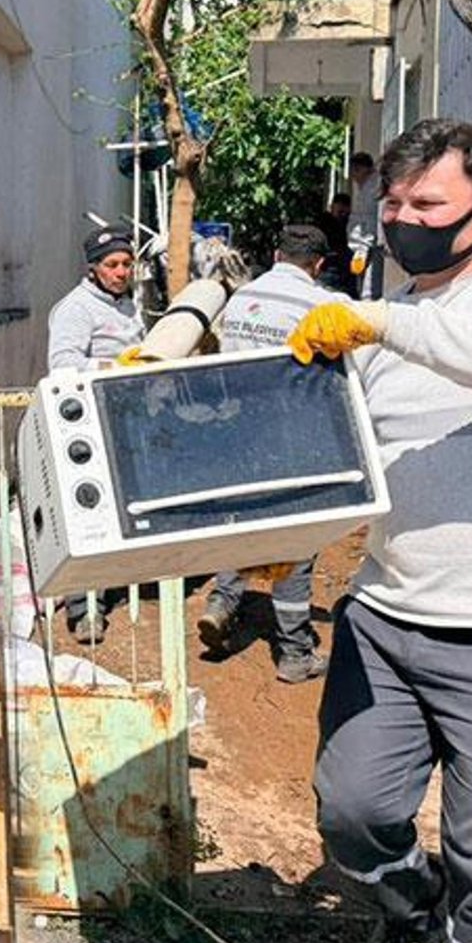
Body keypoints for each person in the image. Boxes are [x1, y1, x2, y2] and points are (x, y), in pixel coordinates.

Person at [289, 119, 472, 943]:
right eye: (394, 202)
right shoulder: (385, 321)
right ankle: (416, 911)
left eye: (428, 204)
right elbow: (346, 458)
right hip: (384, 618)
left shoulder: (388, 322)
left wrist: (372, 320)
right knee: (352, 811)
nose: (405, 218)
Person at [195, 224, 338, 683]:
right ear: (318, 265)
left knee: (241, 521)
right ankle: (295, 653)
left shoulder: (241, 298)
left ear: (277, 255)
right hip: (289, 438)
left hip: (238, 430)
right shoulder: (322, 305)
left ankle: (222, 603)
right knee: (294, 541)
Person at [46, 226, 144, 642]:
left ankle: (120, 582)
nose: (121, 272)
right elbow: (62, 365)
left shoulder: (128, 304)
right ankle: (85, 608)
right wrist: (114, 367)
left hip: (125, 420)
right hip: (90, 426)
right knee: (92, 515)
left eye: (127, 264)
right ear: (93, 269)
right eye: (112, 265)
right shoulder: (76, 309)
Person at [348, 150, 384, 298]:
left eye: (355, 171)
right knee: (365, 288)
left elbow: (369, 220)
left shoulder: (371, 189)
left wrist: (362, 249)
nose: (353, 176)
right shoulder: (366, 188)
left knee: (368, 291)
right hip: (364, 246)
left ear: (363, 169)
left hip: (368, 247)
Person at [317, 191, 354, 291]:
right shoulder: (324, 222)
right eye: (340, 212)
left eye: (345, 213)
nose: (342, 215)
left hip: (343, 267)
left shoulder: (348, 223)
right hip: (328, 266)